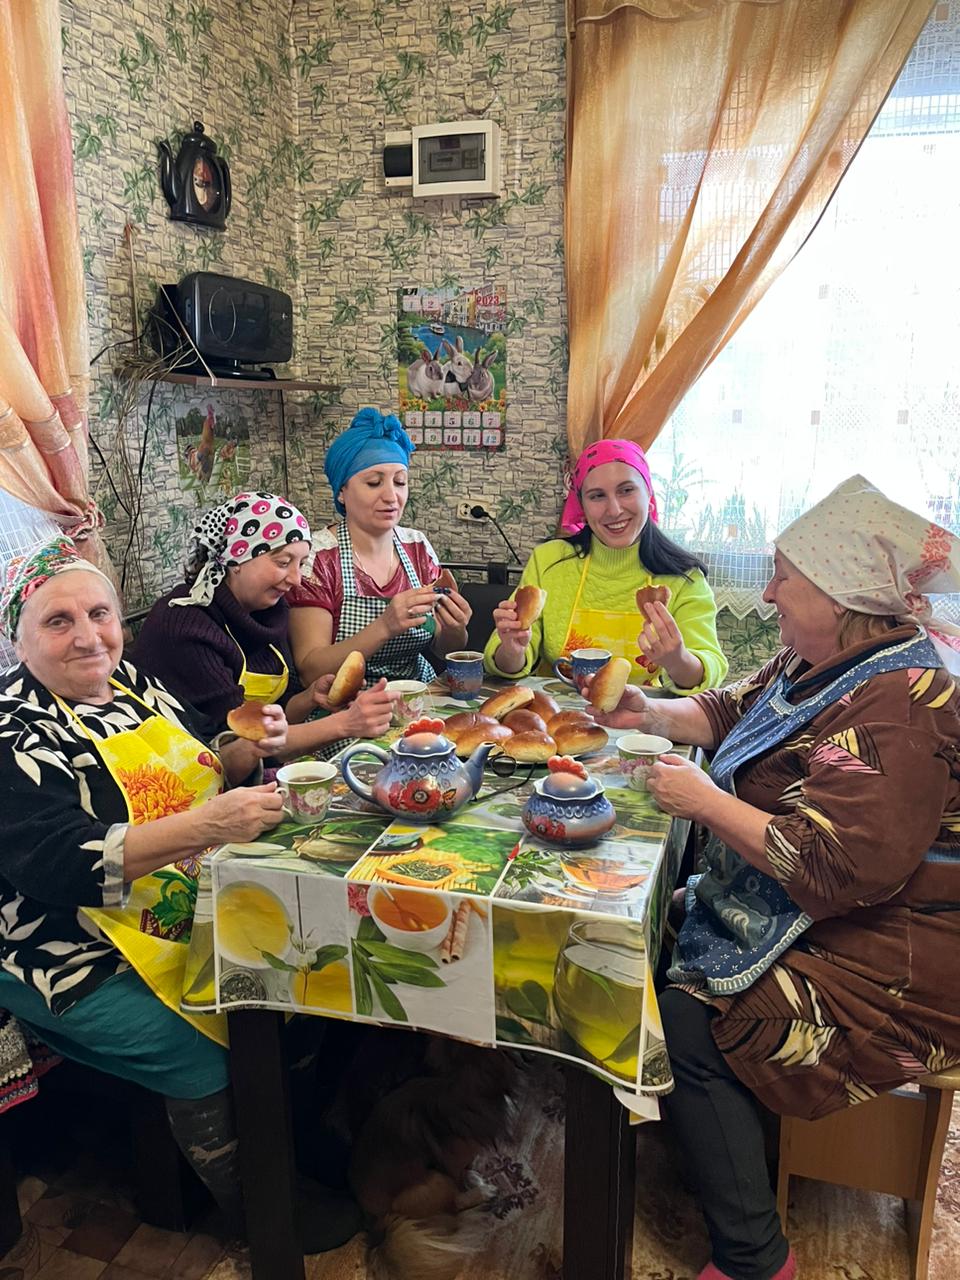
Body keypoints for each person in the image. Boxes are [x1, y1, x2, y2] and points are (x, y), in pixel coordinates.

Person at [594, 476, 960, 1280]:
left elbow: (838, 867)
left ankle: (755, 1258)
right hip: (832, 907)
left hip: (901, 945)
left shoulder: (901, 700)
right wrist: (648, 713)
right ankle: (717, 1136)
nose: (767, 594)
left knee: (692, 1018)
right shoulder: (821, 658)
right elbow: (730, 711)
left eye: (783, 578)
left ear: (840, 594)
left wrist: (705, 800)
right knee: (660, 926)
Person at [0, 535, 360, 1251]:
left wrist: (246, 750)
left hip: (182, 904)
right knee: (203, 1051)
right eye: (58, 621)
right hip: (61, 947)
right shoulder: (13, 730)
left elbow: (202, 751)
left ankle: (291, 1143)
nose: (88, 637)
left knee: (308, 973)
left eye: (99, 614)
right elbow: (58, 864)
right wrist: (207, 825)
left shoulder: (134, 681)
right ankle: (261, 1210)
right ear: (19, 638)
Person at [135, 490, 396, 756]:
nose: (296, 579)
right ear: (236, 558)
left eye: (301, 564)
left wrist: (309, 698)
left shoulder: (269, 610)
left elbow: (278, 715)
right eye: (283, 562)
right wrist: (345, 724)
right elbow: (238, 745)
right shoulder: (185, 626)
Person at [483, 438, 727, 693]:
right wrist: (512, 649)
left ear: (648, 493)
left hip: (642, 717)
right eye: (597, 496)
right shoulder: (549, 561)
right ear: (582, 505)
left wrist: (678, 660)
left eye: (626, 490)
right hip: (555, 715)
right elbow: (507, 664)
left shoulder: (684, 577)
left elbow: (707, 671)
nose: (614, 510)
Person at [288, 408, 473, 686]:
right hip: (345, 702)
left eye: (400, 482)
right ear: (341, 491)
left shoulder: (416, 547)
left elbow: (444, 648)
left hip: (418, 695)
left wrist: (454, 628)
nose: (391, 496)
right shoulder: (318, 558)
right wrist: (384, 626)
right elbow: (310, 671)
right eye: (374, 483)